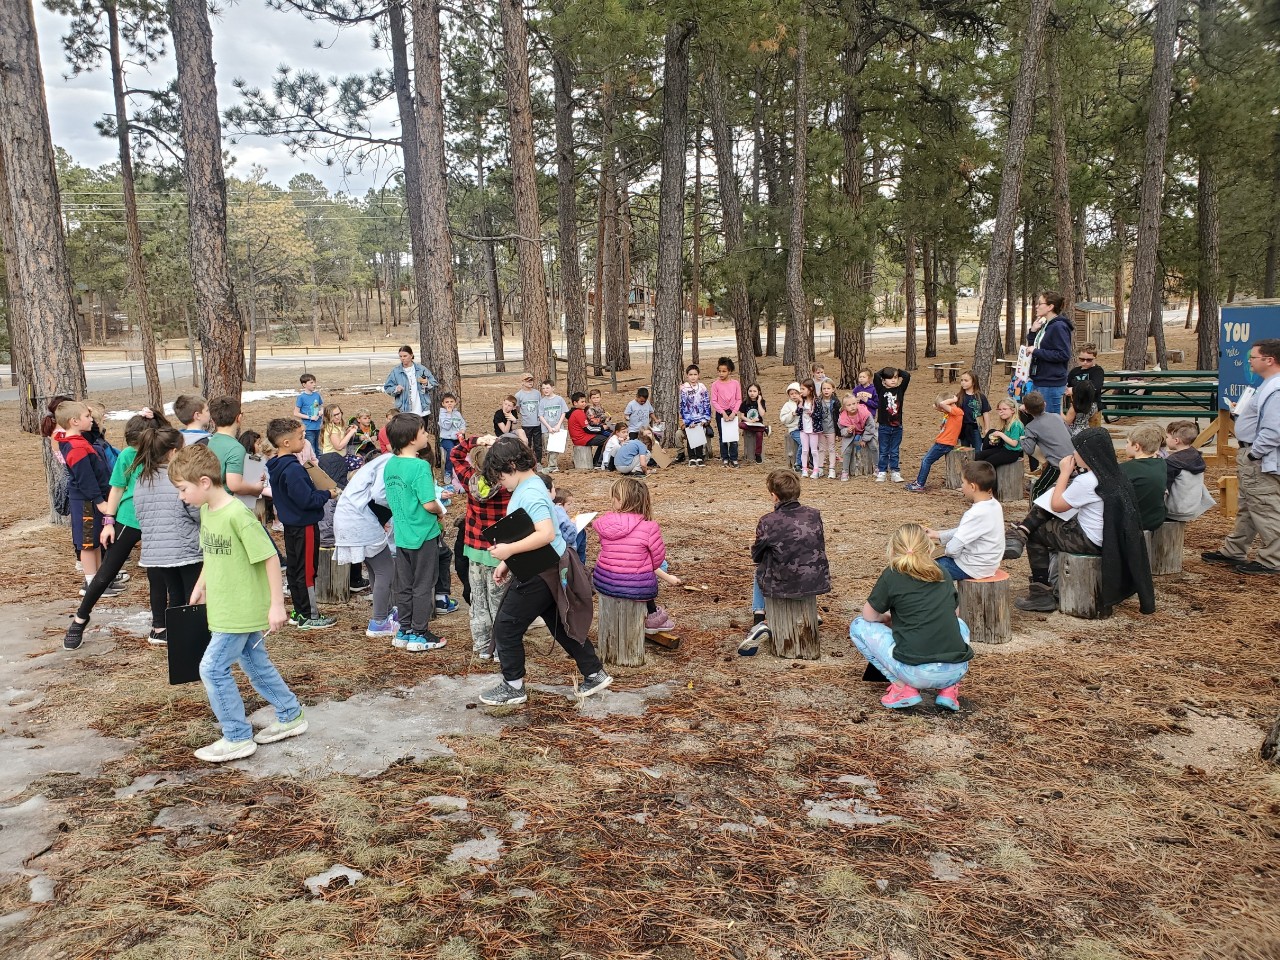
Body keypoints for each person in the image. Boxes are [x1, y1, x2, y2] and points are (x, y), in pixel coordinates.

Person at [169, 443, 307, 764]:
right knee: (253, 663)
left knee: (213, 669)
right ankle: (290, 714)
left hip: (241, 607)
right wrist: (201, 585)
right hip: (223, 604)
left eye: (183, 489)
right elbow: (212, 553)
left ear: (204, 482)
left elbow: (270, 557)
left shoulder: (237, 515)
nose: (181, 496)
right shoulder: (207, 511)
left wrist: (277, 605)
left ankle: (236, 736)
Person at [478, 435, 612, 706]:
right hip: (546, 565)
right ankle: (594, 672)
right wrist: (507, 563)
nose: (500, 484)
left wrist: (508, 551)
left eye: (500, 477)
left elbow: (546, 533)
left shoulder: (530, 492)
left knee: (506, 626)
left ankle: (513, 685)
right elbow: (531, 531)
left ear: (512, 465)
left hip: (540, 571)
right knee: (558, 623)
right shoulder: (534, 482)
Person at [1005, 427, 1155, 614]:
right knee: (1046, 510)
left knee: (1038, 533)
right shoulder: (1115, 474)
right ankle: (1020, 533)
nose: (1074, 454)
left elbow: (1057, 505)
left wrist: (1064, 473)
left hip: (1090, 540)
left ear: (1089, 454)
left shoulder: (1088, 481)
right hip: (1109, 538)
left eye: (1077, 450)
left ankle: (1040, 593)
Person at [849, 524, 973, 712]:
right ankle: (949, 689)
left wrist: (887, 619)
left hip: (915, 671)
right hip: (956, 670)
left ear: (892, 548)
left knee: (858, 626)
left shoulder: (892, 573)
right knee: (960, 624)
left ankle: (902, 687)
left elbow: (869, 615)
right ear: (929, 547)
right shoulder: (942, 572)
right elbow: (954, 614)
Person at [62, 411, 156, 650]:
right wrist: (108, 522)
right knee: (106, 572)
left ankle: (160, 624)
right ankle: (80, 619)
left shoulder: (164, 453)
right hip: (129, 518)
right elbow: (116, 489)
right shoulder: (126, 455)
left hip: (158, 520)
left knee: (158, 574)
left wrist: (156, 416)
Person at [1202, 337, 1280, 575]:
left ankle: (1273, 559)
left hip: (1260, 458)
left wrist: (1254, 453)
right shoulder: (1268, 385)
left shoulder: (1276, 389)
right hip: (1253, 453)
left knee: (1265, 507)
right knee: (1249, 506)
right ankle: (1234, 549)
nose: (1250, 362)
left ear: (1269, 360)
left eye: (1253, 358)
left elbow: (1274, 430)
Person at [739, 470, 831, 655]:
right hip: (815, 580)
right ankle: (808, 614)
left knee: (759, 570)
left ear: (774, 496)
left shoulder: (768, 521)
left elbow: (757, 556)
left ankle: (760, 620)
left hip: (783, 584)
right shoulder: (814, 515)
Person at [381, 413, 452, 652]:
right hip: (423, 533)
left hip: (402, 534)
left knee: (405, 584)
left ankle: (405, 629)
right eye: (423, 432)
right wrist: (440, 512)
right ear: (412, 438)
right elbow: (428, 502)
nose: (426, 435)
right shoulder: (420, 466)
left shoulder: (390, 463)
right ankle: (420, 633)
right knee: (423, 584)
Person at [131, 423, 204, 647]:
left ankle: (169, 632)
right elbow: (195, 512)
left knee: (174, 592)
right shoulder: (178, 481)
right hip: (185, 549)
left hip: (156, 553)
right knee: (194, 593)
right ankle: (195, 636)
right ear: (173, 453)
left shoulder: (142, 480)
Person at [265, 418, 338, 629]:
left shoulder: (278, 465)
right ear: (286, 443)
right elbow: (307, 500)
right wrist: (327, 494)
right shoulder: (293, 470)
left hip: (291, 525)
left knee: (296, 568)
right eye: (300, 436)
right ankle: (309, 615)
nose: (304, 439)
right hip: (304, 525)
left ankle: (299, 610)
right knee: (306, 570)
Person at [450, 433, 511, 658]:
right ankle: (499, 648)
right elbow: (529, 462)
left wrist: (475, 440)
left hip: (474, 548)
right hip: (500, 552)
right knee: (499, 601)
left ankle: (482, 645)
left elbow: (455, 454)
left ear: (474, 462)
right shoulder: (507, 487)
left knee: (478, 599)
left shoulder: (469, 480)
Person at [592, 475, 674, 635]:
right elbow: (657, 559)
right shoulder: (650, 527)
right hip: (637, 587)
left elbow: (606, 547)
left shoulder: (604, 523)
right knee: (643, 574)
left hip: (604, 581)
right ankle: (652, 618)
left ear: (618, 500)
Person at [334, 450, 400, 642]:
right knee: (386, 570)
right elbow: (380, 495)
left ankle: (385, 612)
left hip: (354, 517)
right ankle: (379, 621)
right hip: (359, 520)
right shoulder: (389, 461)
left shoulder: (382, 460)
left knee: (376, 568)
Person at [57, 400, 112, 602]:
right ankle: (91, 583)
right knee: (87, 543)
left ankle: (98, 580)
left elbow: (93, 434)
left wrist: (87, 416)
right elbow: (85, 478)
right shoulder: (75, 447)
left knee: (95, 539)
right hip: (86, 501)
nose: (92, 419)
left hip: (91, 499)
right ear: (74, 421)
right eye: (88, 417)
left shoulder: (80, 439)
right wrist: (99, 501)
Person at [925, 461, 1003, 581]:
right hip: (988, 565)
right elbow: (966, 530)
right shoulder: (994, 505)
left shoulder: (974, 514)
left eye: (963, 482)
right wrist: (938, 534)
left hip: (971, 567)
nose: (961, 486)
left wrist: (942, 551)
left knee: (921, 569)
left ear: (972, 487)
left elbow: (952, 550)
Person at [1025, 291, 1075, 414]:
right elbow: (1035, 348)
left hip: (1051, 383)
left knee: (1051, 422)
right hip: (1040, 380)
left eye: (1039, 303)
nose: (1036, 306)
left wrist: (1036, 351)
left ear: (1050, 306)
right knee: (1040, 420)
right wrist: (1032, 331)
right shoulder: (1046, 326)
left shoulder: (1058, 326)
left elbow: (1063, 354)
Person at [905, 394, 964, 492]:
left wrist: (953, 399)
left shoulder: (957, 412)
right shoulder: (950, 413)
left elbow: (942, 404)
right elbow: (939, 405)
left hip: (945, 443)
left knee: (926, 461)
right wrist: (939, 405)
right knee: (925, 460)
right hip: (942, 442)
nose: (941, 410)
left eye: (942, 409)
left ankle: (920, 484)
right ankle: (918, 481)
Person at [1162, 421, 1216, 522]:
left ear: (1176, 440)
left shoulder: (1173, 462)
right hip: (1193, 507)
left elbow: (1164, 487)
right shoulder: (1196, 456)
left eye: (1167, 437)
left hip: (1176, 511)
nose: (1165, 440)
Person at [1121, 423, 1167, 531]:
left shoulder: (1125, 469)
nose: (1125, 446)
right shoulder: (1161, 464)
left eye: (1127, 443)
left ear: (1136, 446)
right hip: (1156, 518)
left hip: (1135, 521)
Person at [1018, 390, 1074, 478]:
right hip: (1073, 459)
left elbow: (1029, 450)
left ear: (1027, 410)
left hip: (1058, 465)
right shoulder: (1056, 416)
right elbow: (1070, 433)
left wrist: (1019, 439)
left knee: (1038, 489)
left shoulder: (1031, 427)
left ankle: (1045, 467)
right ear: (1044, 404)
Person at [874, 366, 911, 482]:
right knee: (883, 450)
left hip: (897, 426)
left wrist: (897, 371)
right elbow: (876, 375)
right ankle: (882, 471)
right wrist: (885, 370)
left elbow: (907, 376)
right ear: (884, 380)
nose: (893, 380)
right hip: (884, 426)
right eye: (890, 378)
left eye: (895, 378)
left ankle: (895, 471)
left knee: (894, 451)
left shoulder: (900, 390)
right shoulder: (881, 390)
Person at [383, 345, 437, 419]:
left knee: (422, 430)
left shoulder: (421, 369)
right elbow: (387, 387)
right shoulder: (396, 371)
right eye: (400, 356)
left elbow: (434, 383)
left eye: (405, 356)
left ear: (411, 355)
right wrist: (396, 389)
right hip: (404, 410)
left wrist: (427, 383)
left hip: (421, 410)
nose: (402, 358)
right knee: (407, 430)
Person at [974, 397, 1025, 475]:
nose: (1001, 412)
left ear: (1013, 410)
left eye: (1004, 409)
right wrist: (995, 441)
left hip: (1012, 453)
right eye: (999, 410)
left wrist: (1001, 434)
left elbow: (1014, 443)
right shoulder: (1007, 422)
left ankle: (991, 485)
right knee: (979, 455)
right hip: (1004, 448)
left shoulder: (1016, 424)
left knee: (988, 463)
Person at [948, 370, 991, 452]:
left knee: (978, 450)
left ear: (974, 382)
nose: (963, 383)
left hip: (977, 428)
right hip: (963, 428)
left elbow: (986, 413)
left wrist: (987, 428)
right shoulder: (959, 397)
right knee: (965, 450)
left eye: (966, 380)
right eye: (962, 380)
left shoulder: (980, 397)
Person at [711, 357, 742, 467]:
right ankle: (725, 457)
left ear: (729, 371)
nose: (721, 373)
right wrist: (723, 413)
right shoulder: (715, 385)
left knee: (733, 436)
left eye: (724, 371)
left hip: (732, 412)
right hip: (721, 413)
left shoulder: (735, 383)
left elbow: (739, 399)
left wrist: (734, 412)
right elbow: (714, 401)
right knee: (722, 436)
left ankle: (734, 457)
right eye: (719, 371)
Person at [679, 364, 713, 466]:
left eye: (695, 374)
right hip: (689, 419)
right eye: (690, 374)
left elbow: (706, 403)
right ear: (687, 375)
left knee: (699, 437)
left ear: (698, 375)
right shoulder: (684, 388)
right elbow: (683, 405)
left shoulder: (702, 387)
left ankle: (699, 456)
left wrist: (705, 419)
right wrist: (688, 422)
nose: (693, 377)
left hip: (701, 418)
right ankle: (692, 457)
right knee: (691, 438)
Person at [567, 392, 608, 468]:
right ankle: (598, 462)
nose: (584, 404)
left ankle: (596, 461)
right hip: (582, 438)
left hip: (581, 437)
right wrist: (602, 428)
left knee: (603, 438)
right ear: (575, 403)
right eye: (582, 402)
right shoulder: (578, 413)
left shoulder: (576, 412)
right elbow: (588, 429)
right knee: (607, 440)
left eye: (585, 401)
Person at [838, 392, 872, 481]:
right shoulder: (843, 417)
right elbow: (842, 430)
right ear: (845, 407)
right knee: (847, 450)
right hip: (851, 435)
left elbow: (870, 426)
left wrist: (864, 439)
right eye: (849, 405)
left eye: (854, 404)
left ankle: (877, 467)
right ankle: (845, 471)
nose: (852, 406)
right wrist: (848, 431)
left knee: (873, 445)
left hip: (865, 433)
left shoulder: (864, 412)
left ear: (857, 403)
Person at [1067, 343, 1105, 421]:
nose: (1085, 362)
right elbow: (1067, 385)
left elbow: (1095, 388)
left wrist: (1074, 390)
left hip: (1092, 406)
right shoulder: (1074, 371)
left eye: (1089, 360)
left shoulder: (1097, 371)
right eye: (1082, 359)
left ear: (1095, 358)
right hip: (1075, 406)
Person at [537, 379, 567, 473]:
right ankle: (551, 465)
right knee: (548, 448)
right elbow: (541, 416)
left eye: (547, 388)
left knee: (555, 447)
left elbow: (563, 412)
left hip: (557, 427)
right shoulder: (542, 401)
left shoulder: (559, 399)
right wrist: (548, 427)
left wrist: (558, 425)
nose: (545, 390)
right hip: (546, 429)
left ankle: (553, 466)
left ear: (553, 388)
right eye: (543, 388)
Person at [437, 393, 466, 485]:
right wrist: (449, 414)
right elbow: (446, 426)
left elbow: (462, 423)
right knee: (452, 450)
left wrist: (462, 430)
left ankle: (460, 471)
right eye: (447, 402)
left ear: (455, 403)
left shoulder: (457, 414)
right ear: (443, 404)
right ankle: (448, 472)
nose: (449, 404)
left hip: (457, 437)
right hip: (446, 439)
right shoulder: (442, 415)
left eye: (451, 402)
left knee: (462, 450)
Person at [796, 379, 821, 479]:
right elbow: (798, 412)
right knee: (805, 450)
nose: (801, 391)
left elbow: (819, 414)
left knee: (814, 450)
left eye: (803, 389)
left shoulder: (816, 401)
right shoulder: (802, 400)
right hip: (803, 429)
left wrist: (811, 412)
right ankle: (804, 468)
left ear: (810, 389)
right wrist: (801, 403)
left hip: (813, 429)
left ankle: (816, 469)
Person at [514, 373, 543, 459]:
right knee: (527, 444)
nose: (530, 382)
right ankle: (528, 461)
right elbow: (517, 408)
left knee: (538, 444)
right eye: (527, 380)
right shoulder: (518, 395)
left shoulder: (537, 393)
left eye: (531, 380)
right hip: (526, 424)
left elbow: (540, 406)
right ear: (522, 382)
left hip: (537, 423)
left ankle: (538, 461)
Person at [740, 383, 768, 464]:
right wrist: (749, 420)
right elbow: (742, 416)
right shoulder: (745, 403)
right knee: (740, 425)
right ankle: (764, 429)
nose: (752, 393)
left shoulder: (761, 402)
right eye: (750, 391)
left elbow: (762, 414)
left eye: (754, 391)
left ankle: (758, 454)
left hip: (758, 424)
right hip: (747, 423)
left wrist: (759, 402)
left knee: (759, 435)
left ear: (758, 392)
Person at [292, 376, 323, 450]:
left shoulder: (317, 395)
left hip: (318, 426)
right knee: (310, 448)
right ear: (304, 384)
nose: (314, 384)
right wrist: (310, 417)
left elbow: (321, 406)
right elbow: (296, 413)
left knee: (317, 448)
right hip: (308, 428)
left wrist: (321, 411)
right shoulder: (301, 397)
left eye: (314, 382)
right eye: (311, 382)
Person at [817, 379, 840, 479]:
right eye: (824, 388)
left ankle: (832, 469)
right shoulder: (818, 401)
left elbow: (838, 418)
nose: (826, 390)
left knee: (831, 449)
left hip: (831, 429)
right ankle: (820, 468)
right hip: (821, 429)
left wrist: (838, 433)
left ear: (833, 389)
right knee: (821, 449)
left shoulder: (836, 402)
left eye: (828, 388)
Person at [779, 382, 803, 472]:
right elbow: (783, 419)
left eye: (796, 393)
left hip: (806, 428)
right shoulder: (787, 405)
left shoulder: (804, 403)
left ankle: (811, 463)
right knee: (803, 443)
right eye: (791, 394)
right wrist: (792, 414)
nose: (794, 396)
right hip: (794, 429)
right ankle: (798, 463)